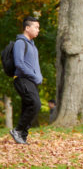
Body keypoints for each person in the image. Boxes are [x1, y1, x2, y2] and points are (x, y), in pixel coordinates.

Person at [10, 16, 42, 145]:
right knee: (35, 104)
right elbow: (19, 64)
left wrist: (37, 77)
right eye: (36, 27)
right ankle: (17, 130)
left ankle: (22, 136)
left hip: (31, 81)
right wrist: (35, 76)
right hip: (22, 79)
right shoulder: (20, 43)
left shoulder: (32, 45)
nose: (38, 30)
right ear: (27, 28)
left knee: (27, 107)